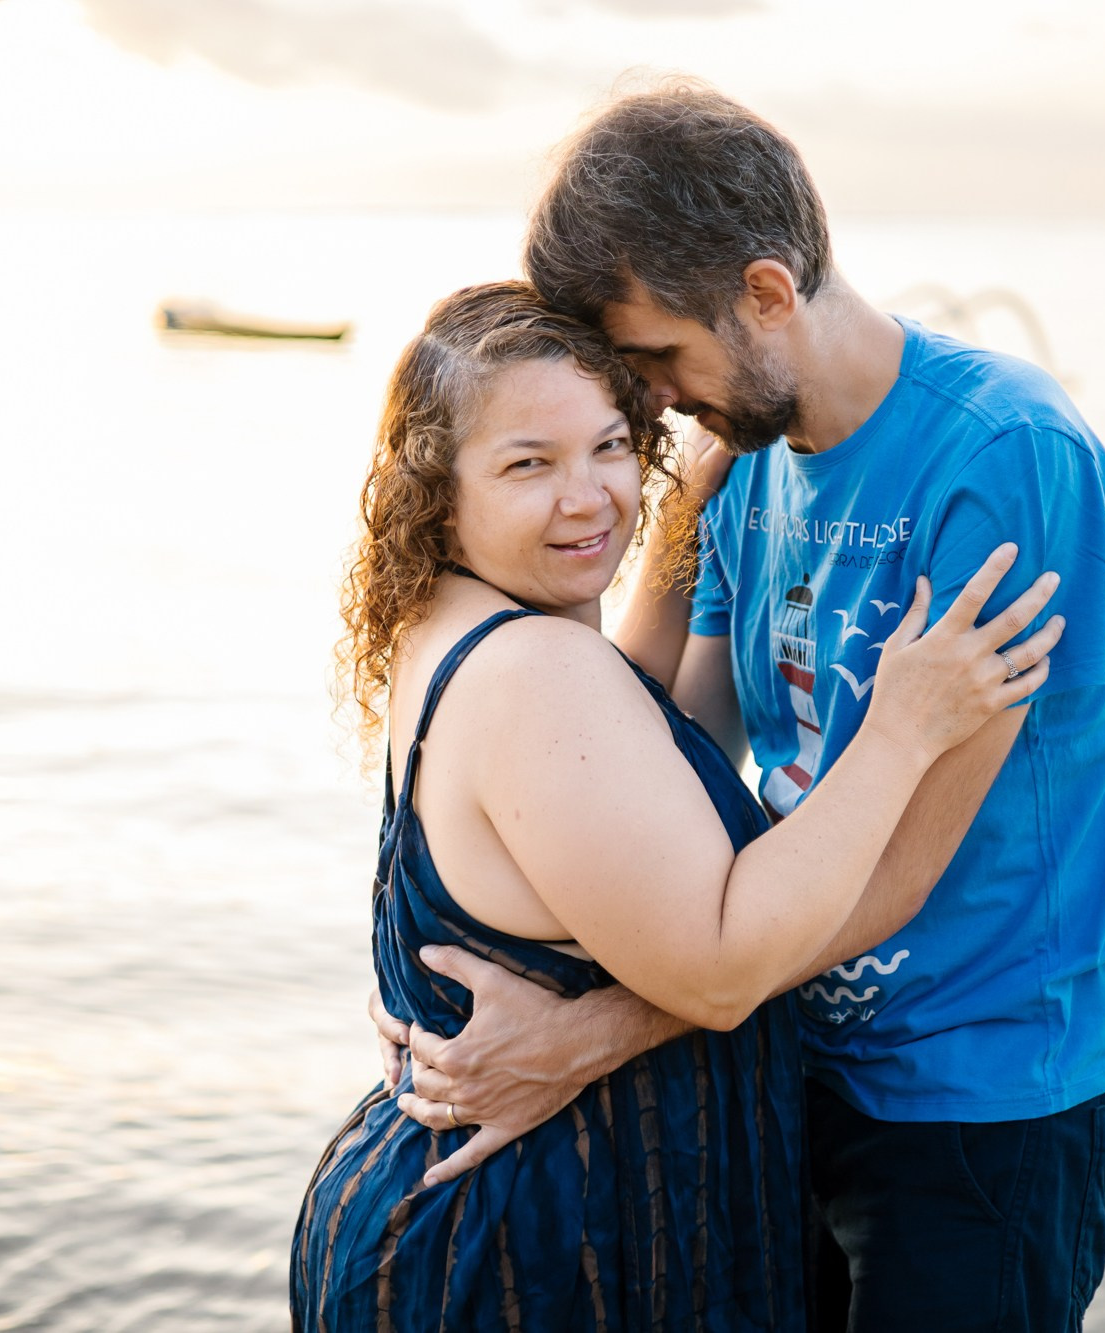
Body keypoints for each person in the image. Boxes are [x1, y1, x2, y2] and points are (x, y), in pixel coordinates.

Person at [386, 83, 1105, 1331]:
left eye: (657, 360)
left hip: (982, 1095)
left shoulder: (1004, 457)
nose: (650, 401)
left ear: (763, 293)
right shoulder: (742, 464)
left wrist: (588, 1035)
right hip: (789, 1060)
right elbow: (672, 753)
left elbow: (898, 870)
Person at [289, 281, 1062, 1330]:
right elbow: (719, 968)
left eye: (611, 447)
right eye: (528, 464)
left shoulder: (460, 622)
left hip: (467, 1223)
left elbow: (636, 754)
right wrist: (900, 729)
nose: (588, 497)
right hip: (533, 1261)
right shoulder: (537, 674)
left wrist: (677, 530)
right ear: (437, 487)